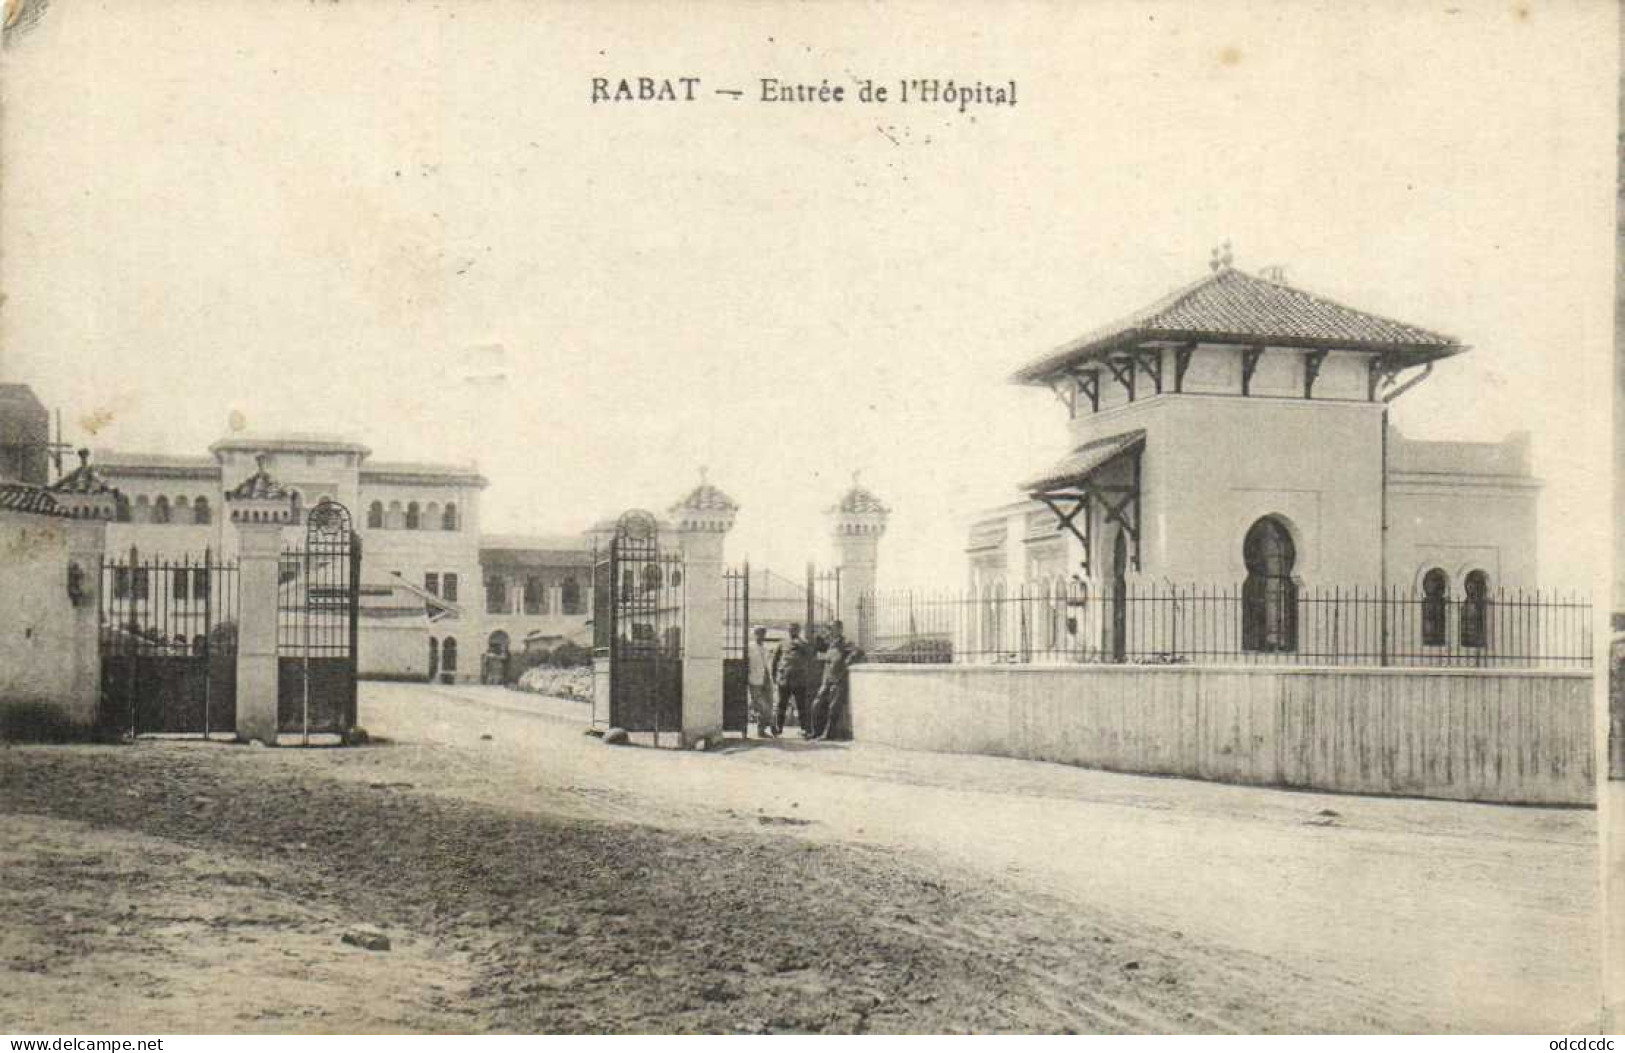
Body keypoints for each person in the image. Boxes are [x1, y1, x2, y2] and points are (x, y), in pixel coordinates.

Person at [811, 620, 863, 741]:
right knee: (816, 705)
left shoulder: (845, 643)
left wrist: (847, 661)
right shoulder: (829, 643)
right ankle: (816, 732)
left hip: (839, 680)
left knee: (833, 709)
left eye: (832, 628)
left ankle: (828, 735)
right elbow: (816, 649)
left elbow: (859, 652)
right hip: (827, 679)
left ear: (840, 629)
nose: (830, 631)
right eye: (829, 628)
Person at [771, 622, 815, 737]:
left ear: (799, 631)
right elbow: (775, 660)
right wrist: (774, 675)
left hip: (799, 680)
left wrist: (800, 645)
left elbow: (811, 657)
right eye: (790, 629)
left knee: (801, 705)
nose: (792, 631)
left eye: (795, 629)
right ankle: (778, 728)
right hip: (784, 678)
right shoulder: (782, 643)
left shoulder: (804, 644)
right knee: (781, 705)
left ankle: (805, 729)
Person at [746, 625, 777, 738]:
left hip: (766, 679)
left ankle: (761, 730)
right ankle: (772, 724)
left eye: (763, 633)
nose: (761, 636)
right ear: (754, 634)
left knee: (768, 703)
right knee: (762, 706)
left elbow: (767, 664)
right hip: (754, 680)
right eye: (758, 633)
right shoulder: (749, 647)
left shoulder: (765, 648)